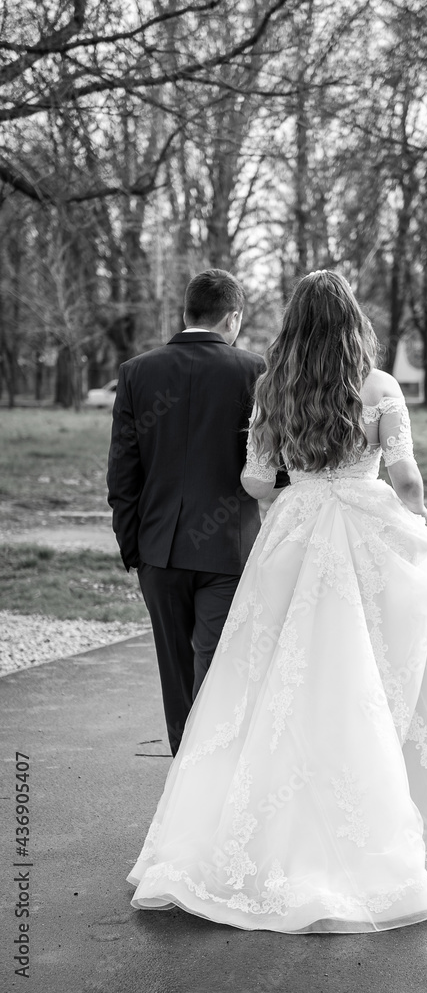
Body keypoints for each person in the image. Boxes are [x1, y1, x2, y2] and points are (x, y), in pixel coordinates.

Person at [127, 269, 427, 932]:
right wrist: (418, 516)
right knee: (393, 670)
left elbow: (253, 478)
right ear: (354, 319)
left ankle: (270, 828)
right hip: (369, 529)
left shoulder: (274, 386)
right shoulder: (380, 387)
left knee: (280, 678)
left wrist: (294, 488)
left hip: (297, 533)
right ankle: (392, 816)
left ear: (295, 323)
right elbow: (406, 473)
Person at [107, 268, 283, 757]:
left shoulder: (137, 372)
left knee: (177, 681)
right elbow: (275, 466)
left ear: (187, 312)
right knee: (220, 674)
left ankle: (182, 796)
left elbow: (122, 476)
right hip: (228, 551)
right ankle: (210, 792)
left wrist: (134, 549)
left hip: (158, 553)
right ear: (233, 317)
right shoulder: (256, 373)